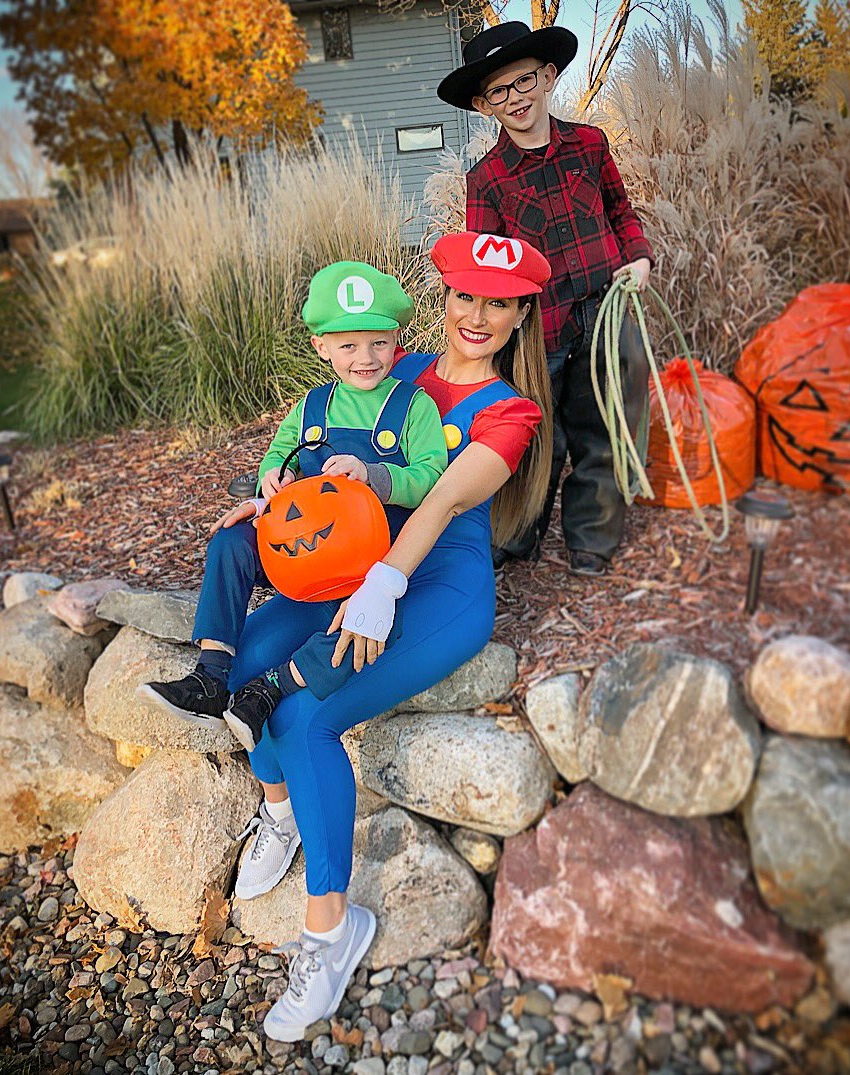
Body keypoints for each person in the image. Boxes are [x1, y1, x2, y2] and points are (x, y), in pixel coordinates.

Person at [219, 231, 553, 1042]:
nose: (477, 315)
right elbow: (317, 444)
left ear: (521, 316)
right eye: (465, 295)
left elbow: (439, 502)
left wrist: (386, 585)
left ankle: (330, 931)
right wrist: (270, 492)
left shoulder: (510, 411)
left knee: (304, 714)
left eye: (499, 303)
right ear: (444, 297)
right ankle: (281, 809)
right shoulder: (397, 368)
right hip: (355, 566)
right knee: (245, 653)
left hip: (434, 586)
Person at [139, 260, 448, 758]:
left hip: (372, 558)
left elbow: (433, 477)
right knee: (231, 540)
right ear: (321, 347)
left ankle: (272, 688)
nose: (365, 358)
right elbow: (278, 457)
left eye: (379, 343)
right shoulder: (310, 407)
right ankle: (211, 676)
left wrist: (373, 474)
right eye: (348, 346)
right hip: (305, 551)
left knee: (371, 624)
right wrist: (270, 485)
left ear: (397, 339)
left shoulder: (413, 406)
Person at [438, 21, 655, 577]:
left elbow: (619, 210)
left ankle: (592, 537)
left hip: (606, 309)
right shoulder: (487, 179)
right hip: (540, 328)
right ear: (484, 105)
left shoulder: (589, 144)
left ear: (549, 76)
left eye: (524, 80)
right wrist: (489, 326)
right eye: (498, 91)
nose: (515, 97)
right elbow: (487, 272)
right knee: (535, 434)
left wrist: (639, 257)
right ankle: (517, 534)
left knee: (605, 424)